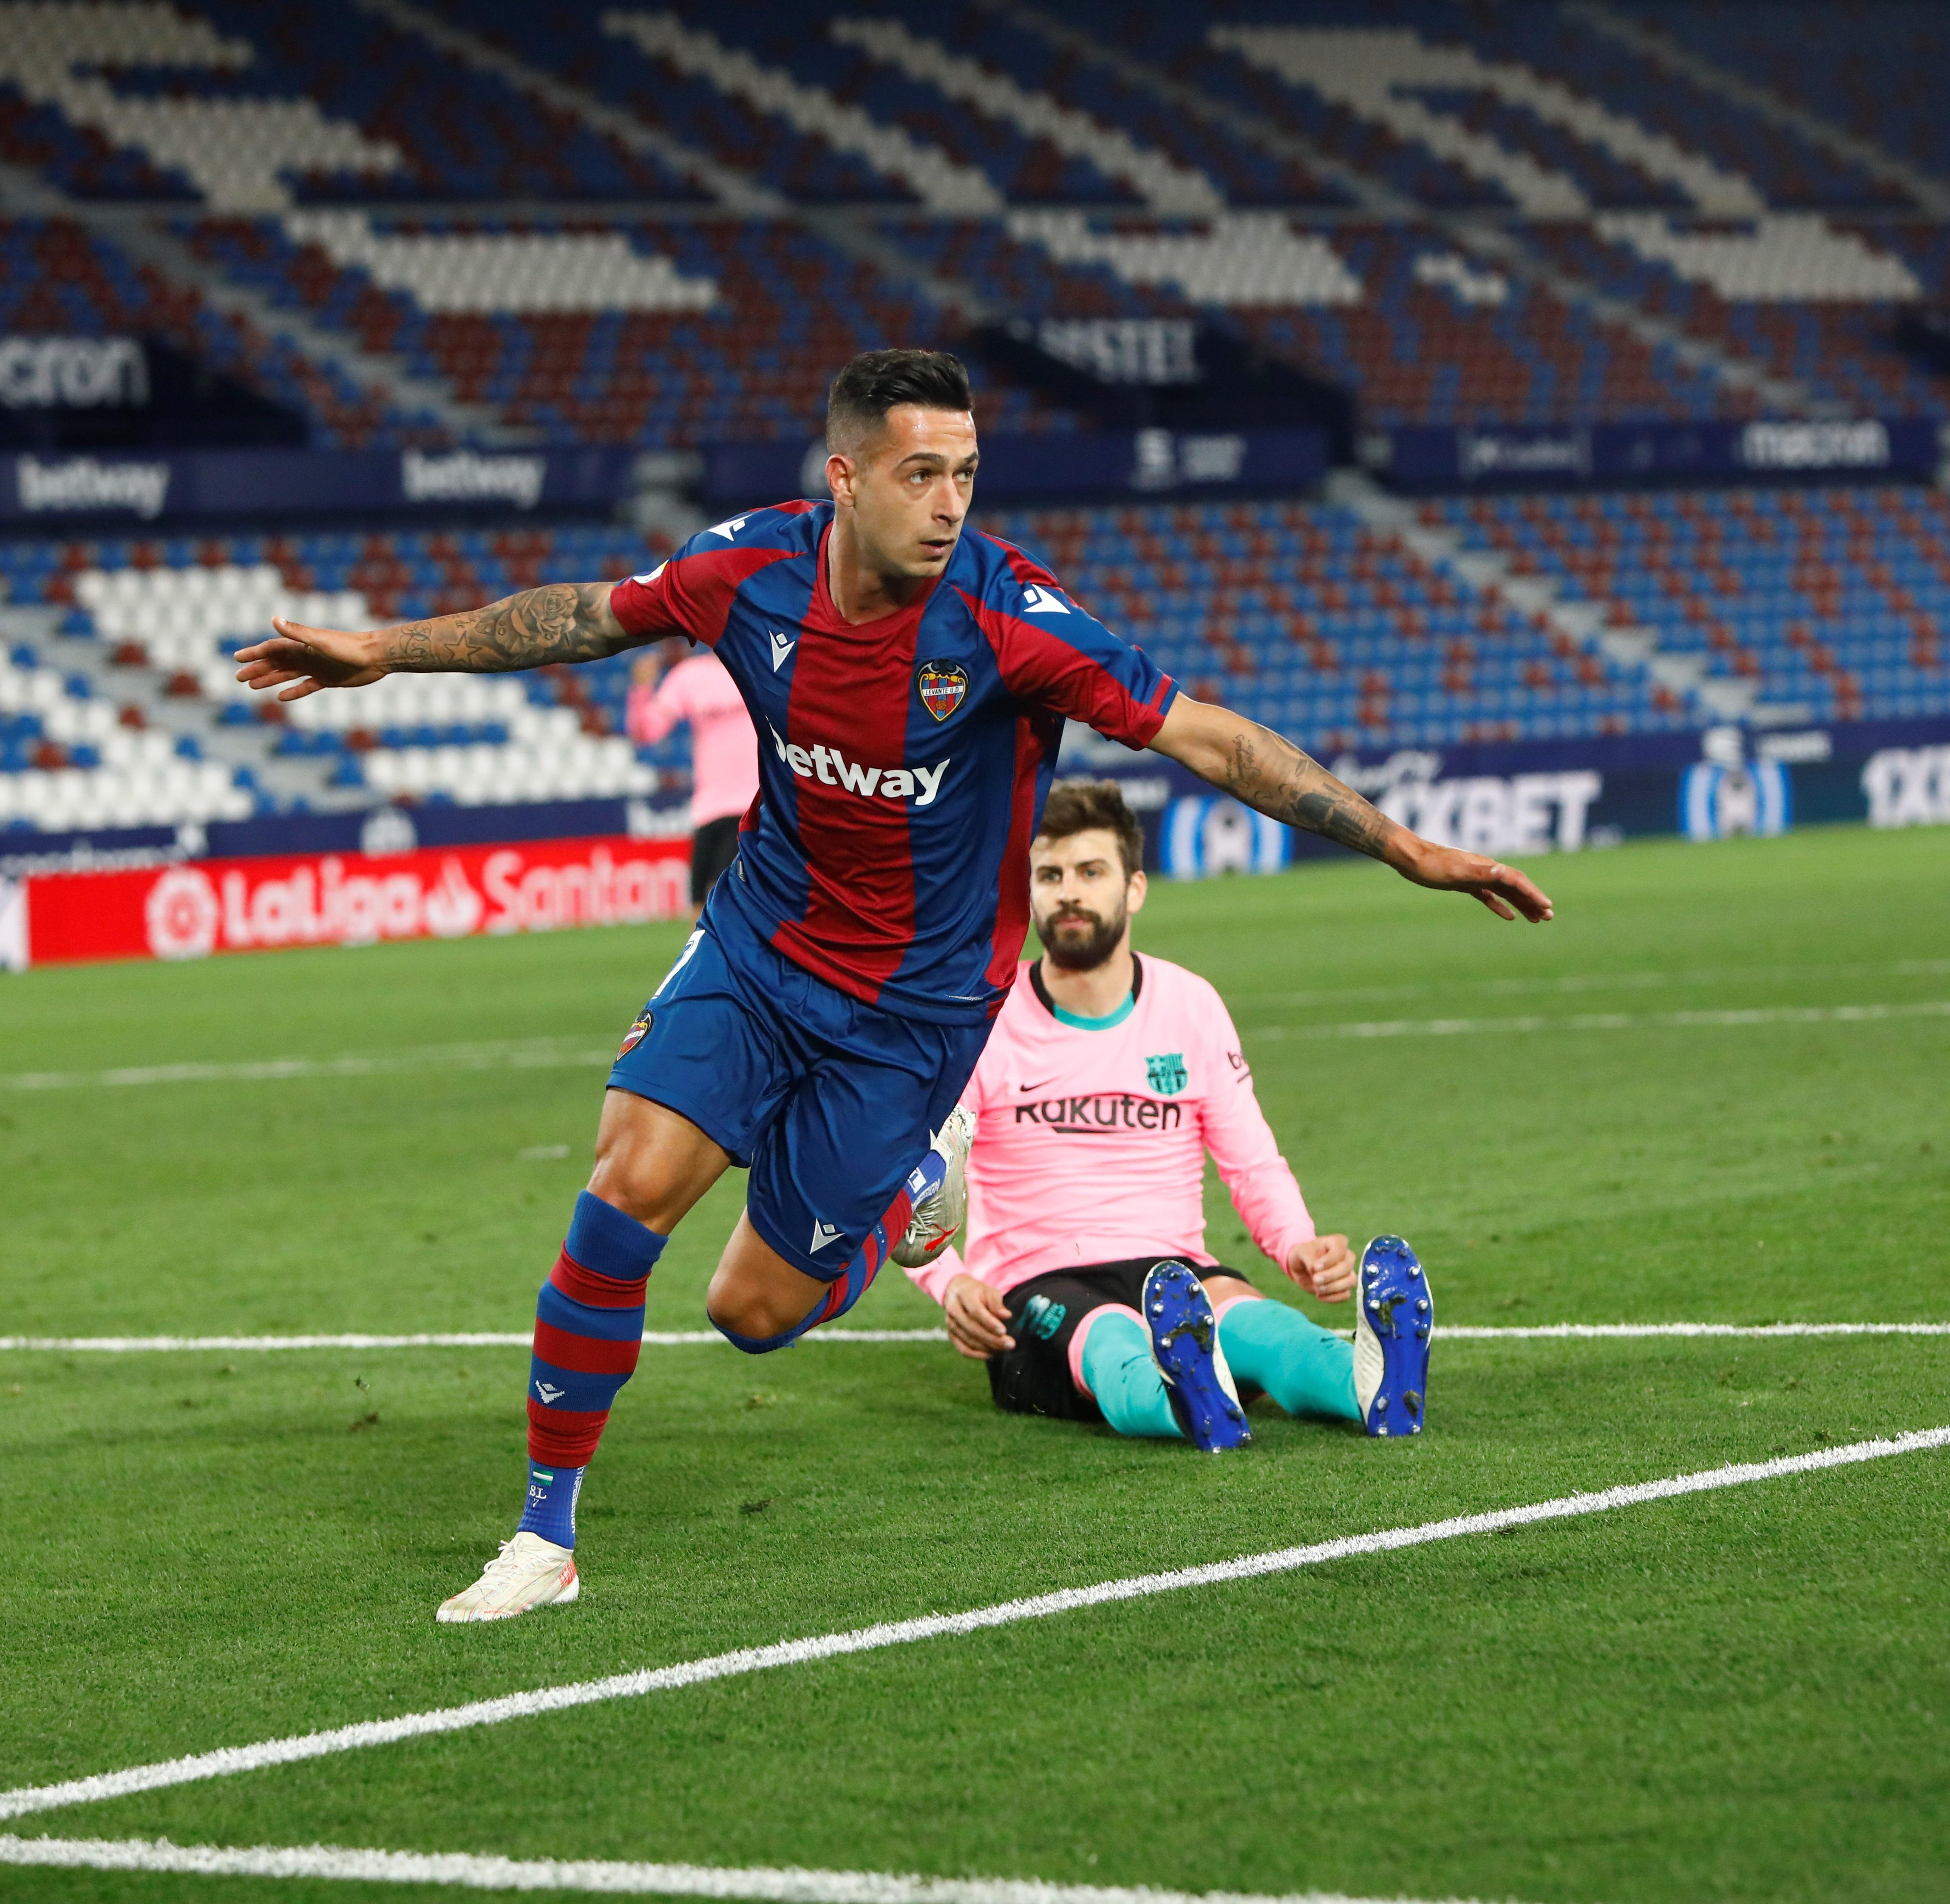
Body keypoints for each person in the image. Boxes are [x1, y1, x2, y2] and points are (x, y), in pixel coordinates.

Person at [235, 348, 1553, 1624]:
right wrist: (385, 649)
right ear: (844, 477)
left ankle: (906, 1201)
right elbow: (582, 617)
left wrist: (1397, 844)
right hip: (760, 946)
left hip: (910, 1020)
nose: (947, 503)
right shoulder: (748, 568)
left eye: (965, 473)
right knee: (621, 1190)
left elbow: (1208, 734)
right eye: (919, 473)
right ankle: (543, 1532)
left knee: (748, 1313)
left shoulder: (1005, 617)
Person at [909, 779, 1431, 1451]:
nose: (1069, 891)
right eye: (1050, 874)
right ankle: (1187, 1403)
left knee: (1261, 1327)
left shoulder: (1190, 1004)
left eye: (1092, 872)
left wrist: (1297, 1242)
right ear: (1028, 891)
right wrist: (950, 1283)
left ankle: (1367, 1384)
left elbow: (1250, 1159)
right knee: (1112, 1341)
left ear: (1134, 889)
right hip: (1034, 1281)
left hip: (1174, 1273)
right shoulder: (983, 1020)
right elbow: (916, 1176)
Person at [626, 639, 756, 906]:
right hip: (710, 807)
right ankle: (703, 950)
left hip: (754, 805)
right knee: (700, 899)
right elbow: (647, 732)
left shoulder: (761, 663)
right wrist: (642, 688)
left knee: (723, 895)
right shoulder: (690, 675)